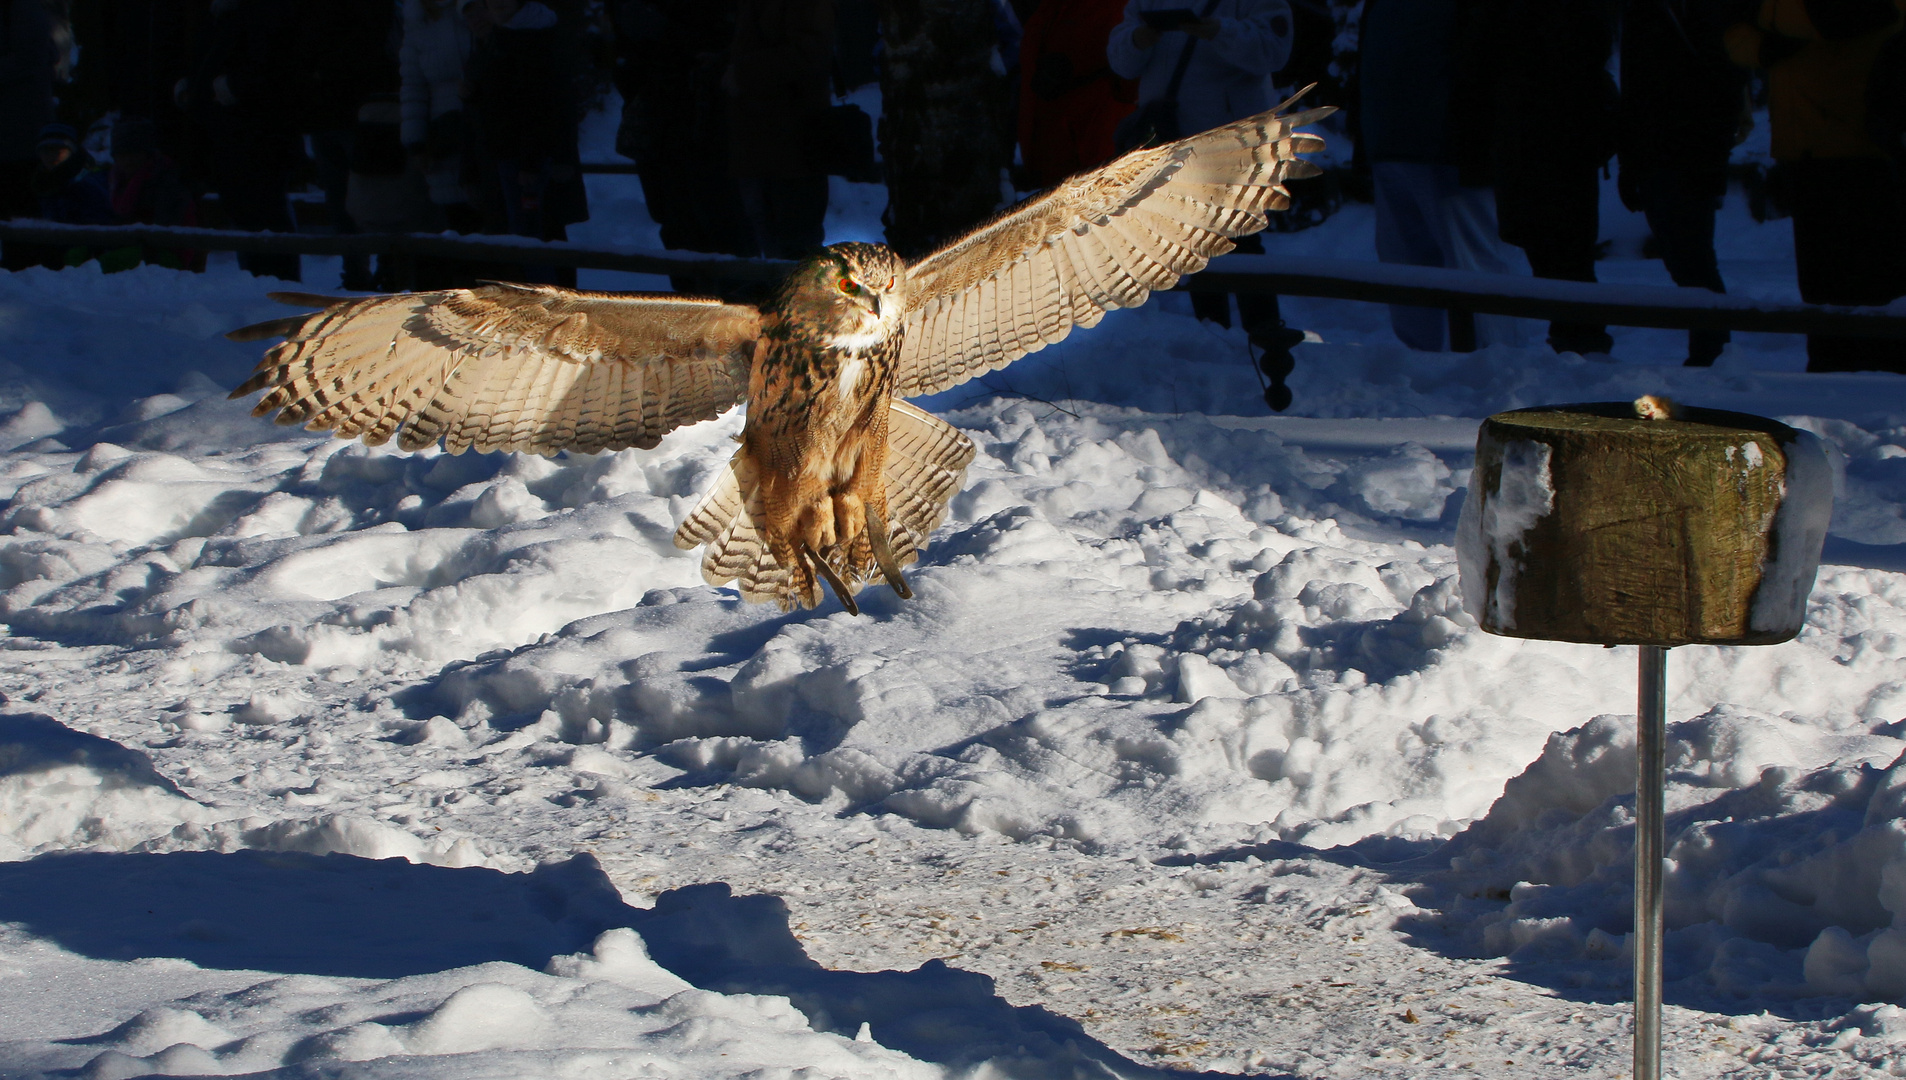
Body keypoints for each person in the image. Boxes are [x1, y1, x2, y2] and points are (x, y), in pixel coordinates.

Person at [1107, 0, 1306, 410]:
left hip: (1236, 147)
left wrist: (1215, 31)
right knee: (1189, 242)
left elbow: (1273, 50)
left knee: (1244, 238)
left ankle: (1263, 337)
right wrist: (1142, 38)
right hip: (1171, 144)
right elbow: (1121, 60)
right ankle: (1211, 338)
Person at [1727, 0, 1906, 373]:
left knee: (1868, 281)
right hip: (1807, 148)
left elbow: (1840, 17)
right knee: (1822, 285)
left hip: (1864, 151)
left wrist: (1759, 11)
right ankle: (1832, 369)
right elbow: (1738, 40)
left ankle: (1875, 373)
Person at [1360, 0, 1526, 352]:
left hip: (1450, 151)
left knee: (1473, 271)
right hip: (1393, 145)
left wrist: (1481, 144)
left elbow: (1495, 64)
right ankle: (1423, 364)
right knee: (1406, 273)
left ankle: (1493, 364)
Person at [1619, 0, 1747, 366]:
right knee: (1688, 258)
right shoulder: (1668, 14)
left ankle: (1711, 348)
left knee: (1690, 258)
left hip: (1678, 150)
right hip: (1675, 149)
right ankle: (1711, 347)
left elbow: (1637, 86)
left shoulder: (1666, 14)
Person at [1491, 0, 1620, 356]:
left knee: (1563, 255)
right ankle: (1577, 339)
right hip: (1553, 145)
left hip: (1549, 145)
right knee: (1561, 257)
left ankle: (1580, 340)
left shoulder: (1540, 33)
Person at [611, 0, 755, 294]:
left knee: (711, 221)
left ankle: (727, 302)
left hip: (697, 124)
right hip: (669, 124)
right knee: (684, 223)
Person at [464, 0, 589, 283]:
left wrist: (531, 160)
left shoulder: (532, 38)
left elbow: (540, 105)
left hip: (525, 158)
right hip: (509, 154)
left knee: (533, 239)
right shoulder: (496, 38)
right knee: (526, 237)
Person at [183, 0, 303, 282]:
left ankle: (278, 277)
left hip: (260, 130)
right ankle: (257, 275)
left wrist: (232, 86)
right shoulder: (218, 15)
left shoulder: (261, 13)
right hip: (230, 130)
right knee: (244, 210)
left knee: (266, 210)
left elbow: (275, 65)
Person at [726, 0, 835, 260]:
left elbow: (811, 54)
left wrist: (742, 73)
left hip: (791, 144)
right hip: (763, 142)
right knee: (770, 245)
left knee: (791, 250)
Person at [1017, 0, 1136, 189]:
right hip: (1047, 154)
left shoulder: (1118, 9)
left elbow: (1130, 83)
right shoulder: (1048, 12)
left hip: (1095, 157)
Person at [0, 0, 57, 272]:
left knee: (21, 197)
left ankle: (27, 266)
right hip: (13, 128)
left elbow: (29, 58)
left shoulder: (23, 9)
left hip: (21, 126)